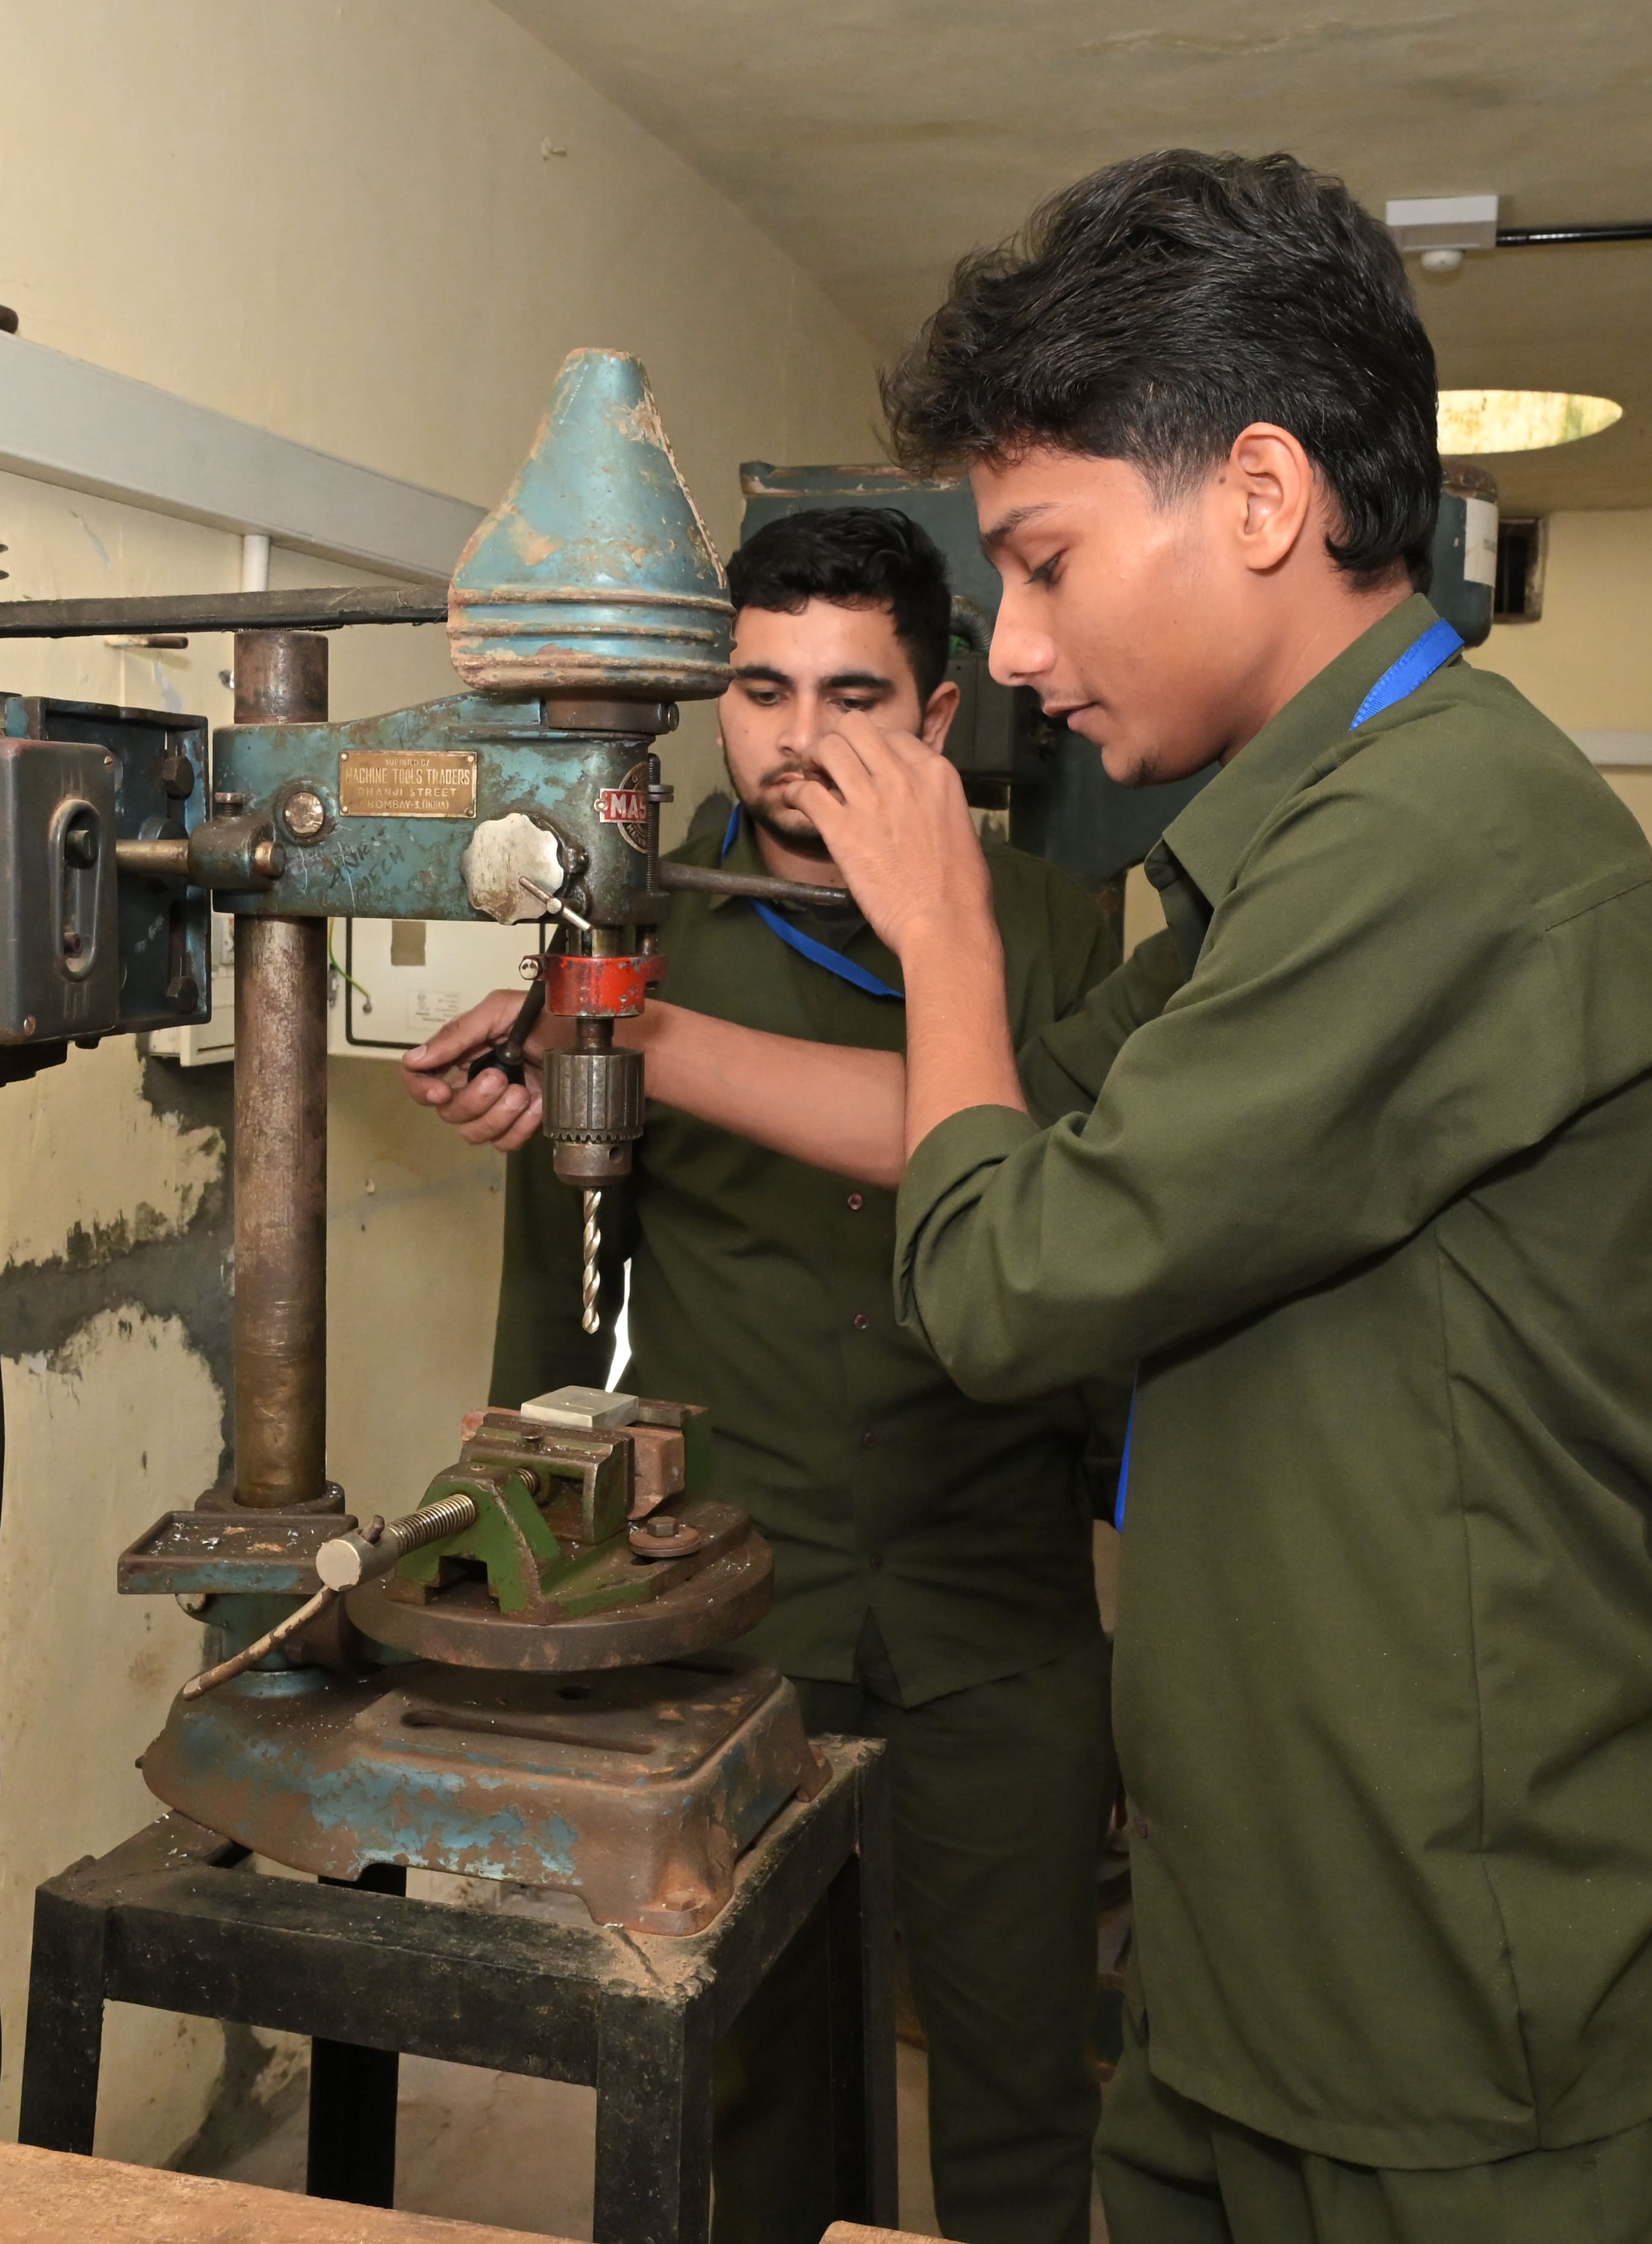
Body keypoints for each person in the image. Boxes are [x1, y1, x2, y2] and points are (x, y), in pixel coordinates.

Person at [710, 150, 1652, 2242]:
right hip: (1252, 1941)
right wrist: (627, 1038)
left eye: (1045, 563)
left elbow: (1004, 1274)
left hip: (1447, 1988)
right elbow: (1004, 1127)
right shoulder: (1288, 847)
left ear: (1263, 496)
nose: (1017, 650)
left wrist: (944, 929)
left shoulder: (1440, 842)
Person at [402, 504, 1128, 2244]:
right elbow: (561, 1296)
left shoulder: (1056, 935)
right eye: (760, 690)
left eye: (852, 696)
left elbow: (1081, 1220)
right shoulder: (626, 931)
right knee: (765, 2075)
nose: (798, 740)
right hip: (746, 1611)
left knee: (1026, 2073)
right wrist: (521, 1577)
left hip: (998, 1610)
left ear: (938, 716)